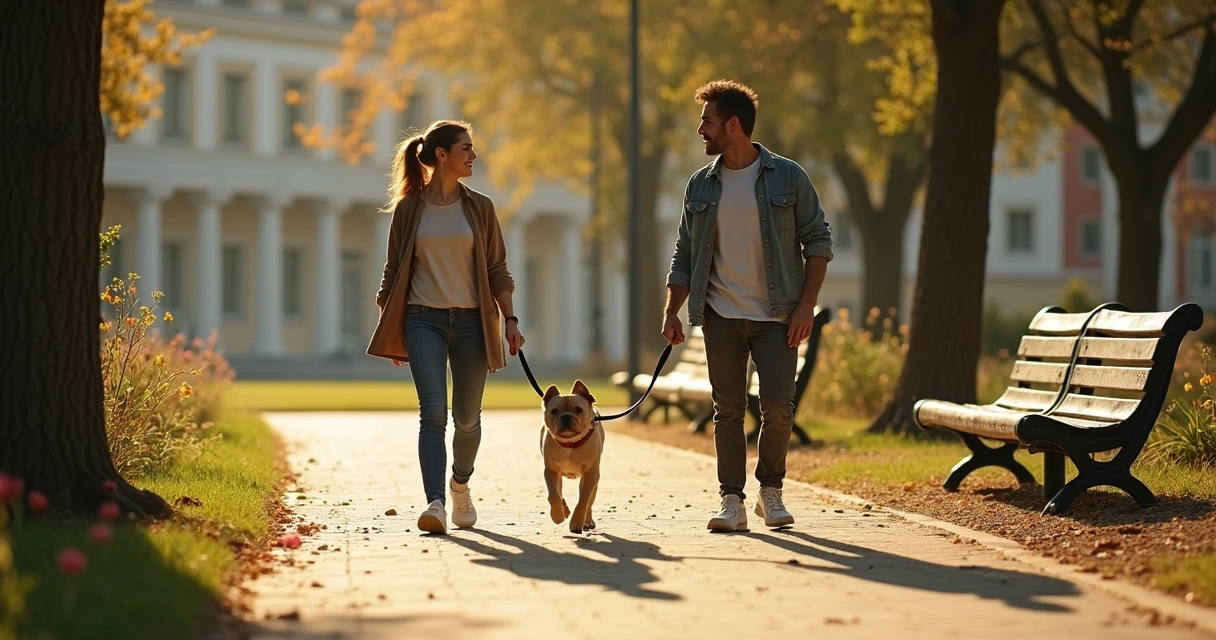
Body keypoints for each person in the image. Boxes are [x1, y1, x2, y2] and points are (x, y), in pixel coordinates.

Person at [662, 81, 833, 532]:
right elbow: (685, 252)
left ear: (732, 125)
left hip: (777, 317)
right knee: (729, 409)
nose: (701, 129)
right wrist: (671, 309)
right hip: (719, 315)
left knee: (778, 407)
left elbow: (818, 239)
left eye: (707, 121)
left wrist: (805, 306)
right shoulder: (701, 184)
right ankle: (732, 501)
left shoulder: (788, 176)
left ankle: (770, 491)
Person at [367, 120, 525, 535]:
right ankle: (435, 502)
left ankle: (460, 484)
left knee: (467, 418)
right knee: (432, 414)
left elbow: (498, 270)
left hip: (474, 321)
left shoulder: (481, 207)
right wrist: (394, 332)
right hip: (423, 321)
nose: (473, 155)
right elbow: (392, 273)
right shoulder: (408, 209)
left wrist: (509, 319)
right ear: (442, 154)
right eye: (466, 148)